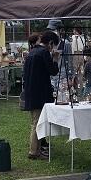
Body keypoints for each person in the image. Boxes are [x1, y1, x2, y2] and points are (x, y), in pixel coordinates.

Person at [23, 31, 60, 159]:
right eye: (54, 45)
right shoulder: (43, 53)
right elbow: (53, 71)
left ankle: (38, 149)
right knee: (37, 123)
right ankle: (33, 152)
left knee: (36, 121)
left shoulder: (32, 52)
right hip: (39, 94)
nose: (53, 48)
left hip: (31, 92)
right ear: (50, 43)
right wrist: (55, 59)